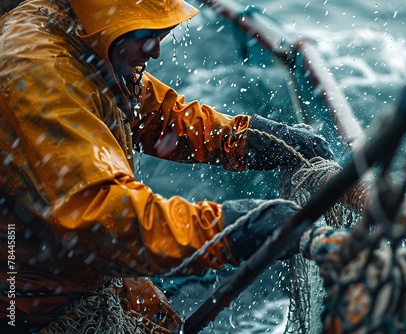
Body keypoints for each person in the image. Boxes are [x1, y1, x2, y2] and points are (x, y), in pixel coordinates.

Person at [0, 0, 333, 332]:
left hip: (75, 274)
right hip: (31, 309)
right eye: (146, 33)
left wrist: (244, 139)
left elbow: (154, 114)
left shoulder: (73, 31)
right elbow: (102, 216)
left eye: (162, 33)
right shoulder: (38, 72)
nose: (156, 50)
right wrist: (230, 228)